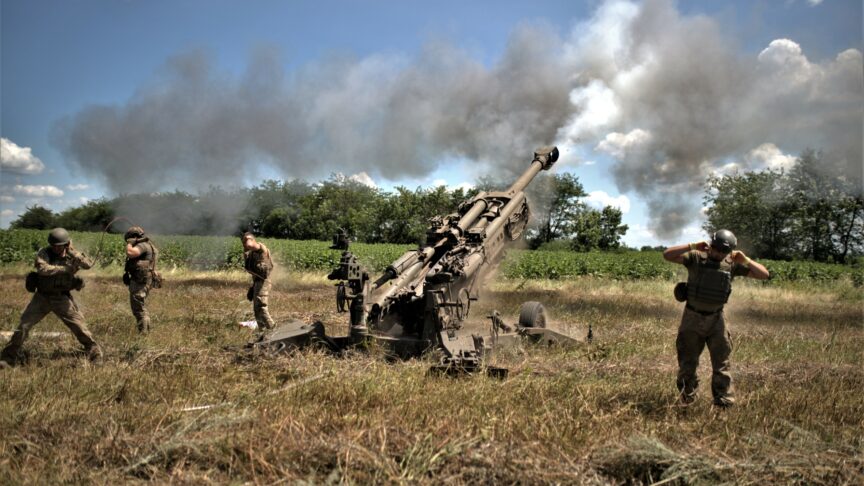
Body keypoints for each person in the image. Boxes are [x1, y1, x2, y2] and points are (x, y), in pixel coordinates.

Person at [663, 229, 770, 407]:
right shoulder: (696, 258)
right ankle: (686, 398)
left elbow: (764, 275)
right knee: (687, 363)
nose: (718, 253)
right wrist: (692, 246)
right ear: (710, 245)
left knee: (722, 364)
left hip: (716, 320)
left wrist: (746, 260)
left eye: (723, 251)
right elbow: (667, 255)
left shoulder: (732, 265)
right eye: (716, 249)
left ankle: (723, 403)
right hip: (692, 317)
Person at [0, 228, 102, 368]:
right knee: (23, 326)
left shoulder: (72, 254)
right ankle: (8, 358)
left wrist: (74, 253)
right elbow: (43, 269)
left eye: (59, 246)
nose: (55, 248)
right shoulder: (45, 252)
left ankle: (94, 354)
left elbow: (88, 264)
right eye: (53, 245)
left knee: (79, 327)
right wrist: (65, 269)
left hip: (61, 298)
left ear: (66, 244)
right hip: (42, 297)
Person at [124, 226, 159, 333]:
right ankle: (145, 332)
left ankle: (143, 334)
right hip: (144, 280)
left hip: (140, 281)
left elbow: (130, 253)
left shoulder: (143, 245)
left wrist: (129, 244)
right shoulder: (150, 245)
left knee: (139, 309)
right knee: (140, 307)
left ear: (134, 237)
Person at [242, 232, 275, 330]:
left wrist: (246, 240)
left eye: (246, 240)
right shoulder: (251, 254)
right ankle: (263, 331)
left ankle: (272, 329)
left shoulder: (261, 248)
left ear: (252, 239)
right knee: (257, 310)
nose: (245, 243)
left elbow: (249, 244)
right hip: (257, 282)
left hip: (263, 282)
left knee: (261, 307)